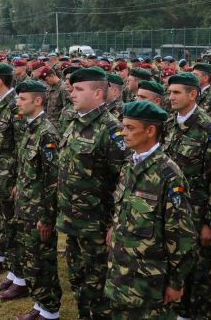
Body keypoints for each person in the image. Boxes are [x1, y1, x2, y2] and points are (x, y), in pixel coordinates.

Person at [105, 101, 197, 319]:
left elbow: (182, 236)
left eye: (130, 128)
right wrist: (114, 227)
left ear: (150, 131)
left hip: (149, 283)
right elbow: (124, 206)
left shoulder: (168, 175)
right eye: (123, 126)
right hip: (121, 272)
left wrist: (175, 282)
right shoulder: (130, 164)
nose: (123, 132)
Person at [56, 66, 128, 320]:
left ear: (98, 93)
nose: (72, 94)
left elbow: (124, 180)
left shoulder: (111, 129)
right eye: (72, 88)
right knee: (78, 282)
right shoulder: (75, 122)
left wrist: (115, 223)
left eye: (78, 89)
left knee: (98, 288)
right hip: (73, 222)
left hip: (97, 225)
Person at [163, 72, 211, 320]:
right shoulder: (170, 124)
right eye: (169, 92)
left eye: (177, 92)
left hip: (197, 216)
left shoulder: (210, 130)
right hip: (172, 214)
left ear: (193, 94)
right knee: (175, 269)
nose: (171, 97)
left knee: (198, 279)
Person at [13, 80, 63, 320]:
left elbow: (53, 180)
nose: (17, 102)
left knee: (42, 262)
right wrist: (18, 186)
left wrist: (47, 217)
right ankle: (40, 303)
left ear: (38, 100)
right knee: (30, 260)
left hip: (39, 212)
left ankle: (50, 310)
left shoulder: (46, 133)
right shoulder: (30, 127)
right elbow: (29, 167)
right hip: (26, 206)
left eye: (22, 99)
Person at [0, 63, 27, 299]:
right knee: (3, 225)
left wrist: (19, 181)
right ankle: (12, 272)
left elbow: (22, 146)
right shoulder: (0, 104)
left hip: (9, 180)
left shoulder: (14, 107)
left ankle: (21, 279)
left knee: (12, 227)